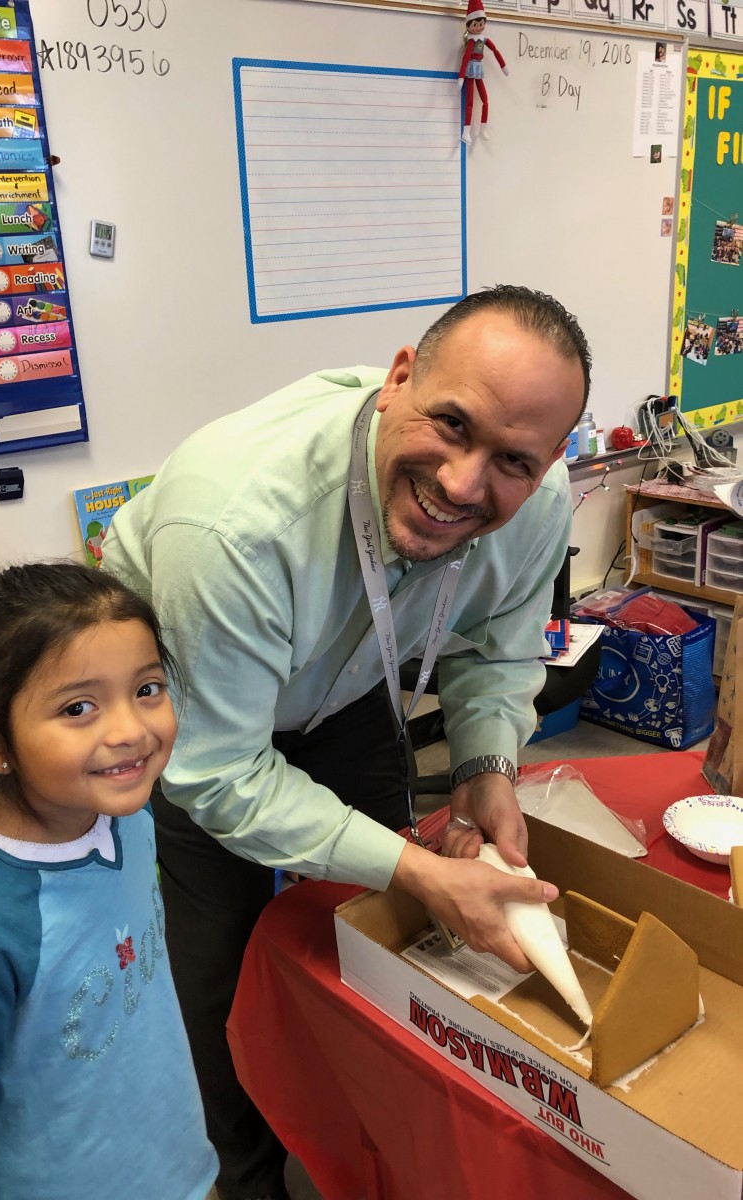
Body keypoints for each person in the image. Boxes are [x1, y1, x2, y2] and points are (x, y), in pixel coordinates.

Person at [103, 283, 590, 1200]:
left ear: (553, 458)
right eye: (450, 423)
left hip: (358, 676)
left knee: (372, 935)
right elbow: (222, 774)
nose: (462, 483)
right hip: (206, 708)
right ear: (401, 377)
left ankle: (359, 1146)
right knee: (224, 960)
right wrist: (421, 871)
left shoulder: (542, 496)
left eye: (513, 460)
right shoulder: (235, 520)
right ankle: (247, 1179)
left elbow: (497, 646)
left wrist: (488, 768)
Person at [0, 562, 218, 1200]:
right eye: (78, 707)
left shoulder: (127, 816)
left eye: (148, 688)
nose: (130, 730)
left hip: (175, 1166)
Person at [458, 0, 508, 145]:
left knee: (485, 100)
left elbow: (495, 50)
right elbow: (466, 57)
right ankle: (466, 131)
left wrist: (503, 66)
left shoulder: (484, 40)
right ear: (469, 26)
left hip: (479, 69)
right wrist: (461, 77)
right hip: (471, 70)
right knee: (470, 102)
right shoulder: (472, 41)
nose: (479, 27)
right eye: (475, 24)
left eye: (481, 24)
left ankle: (483, 128)